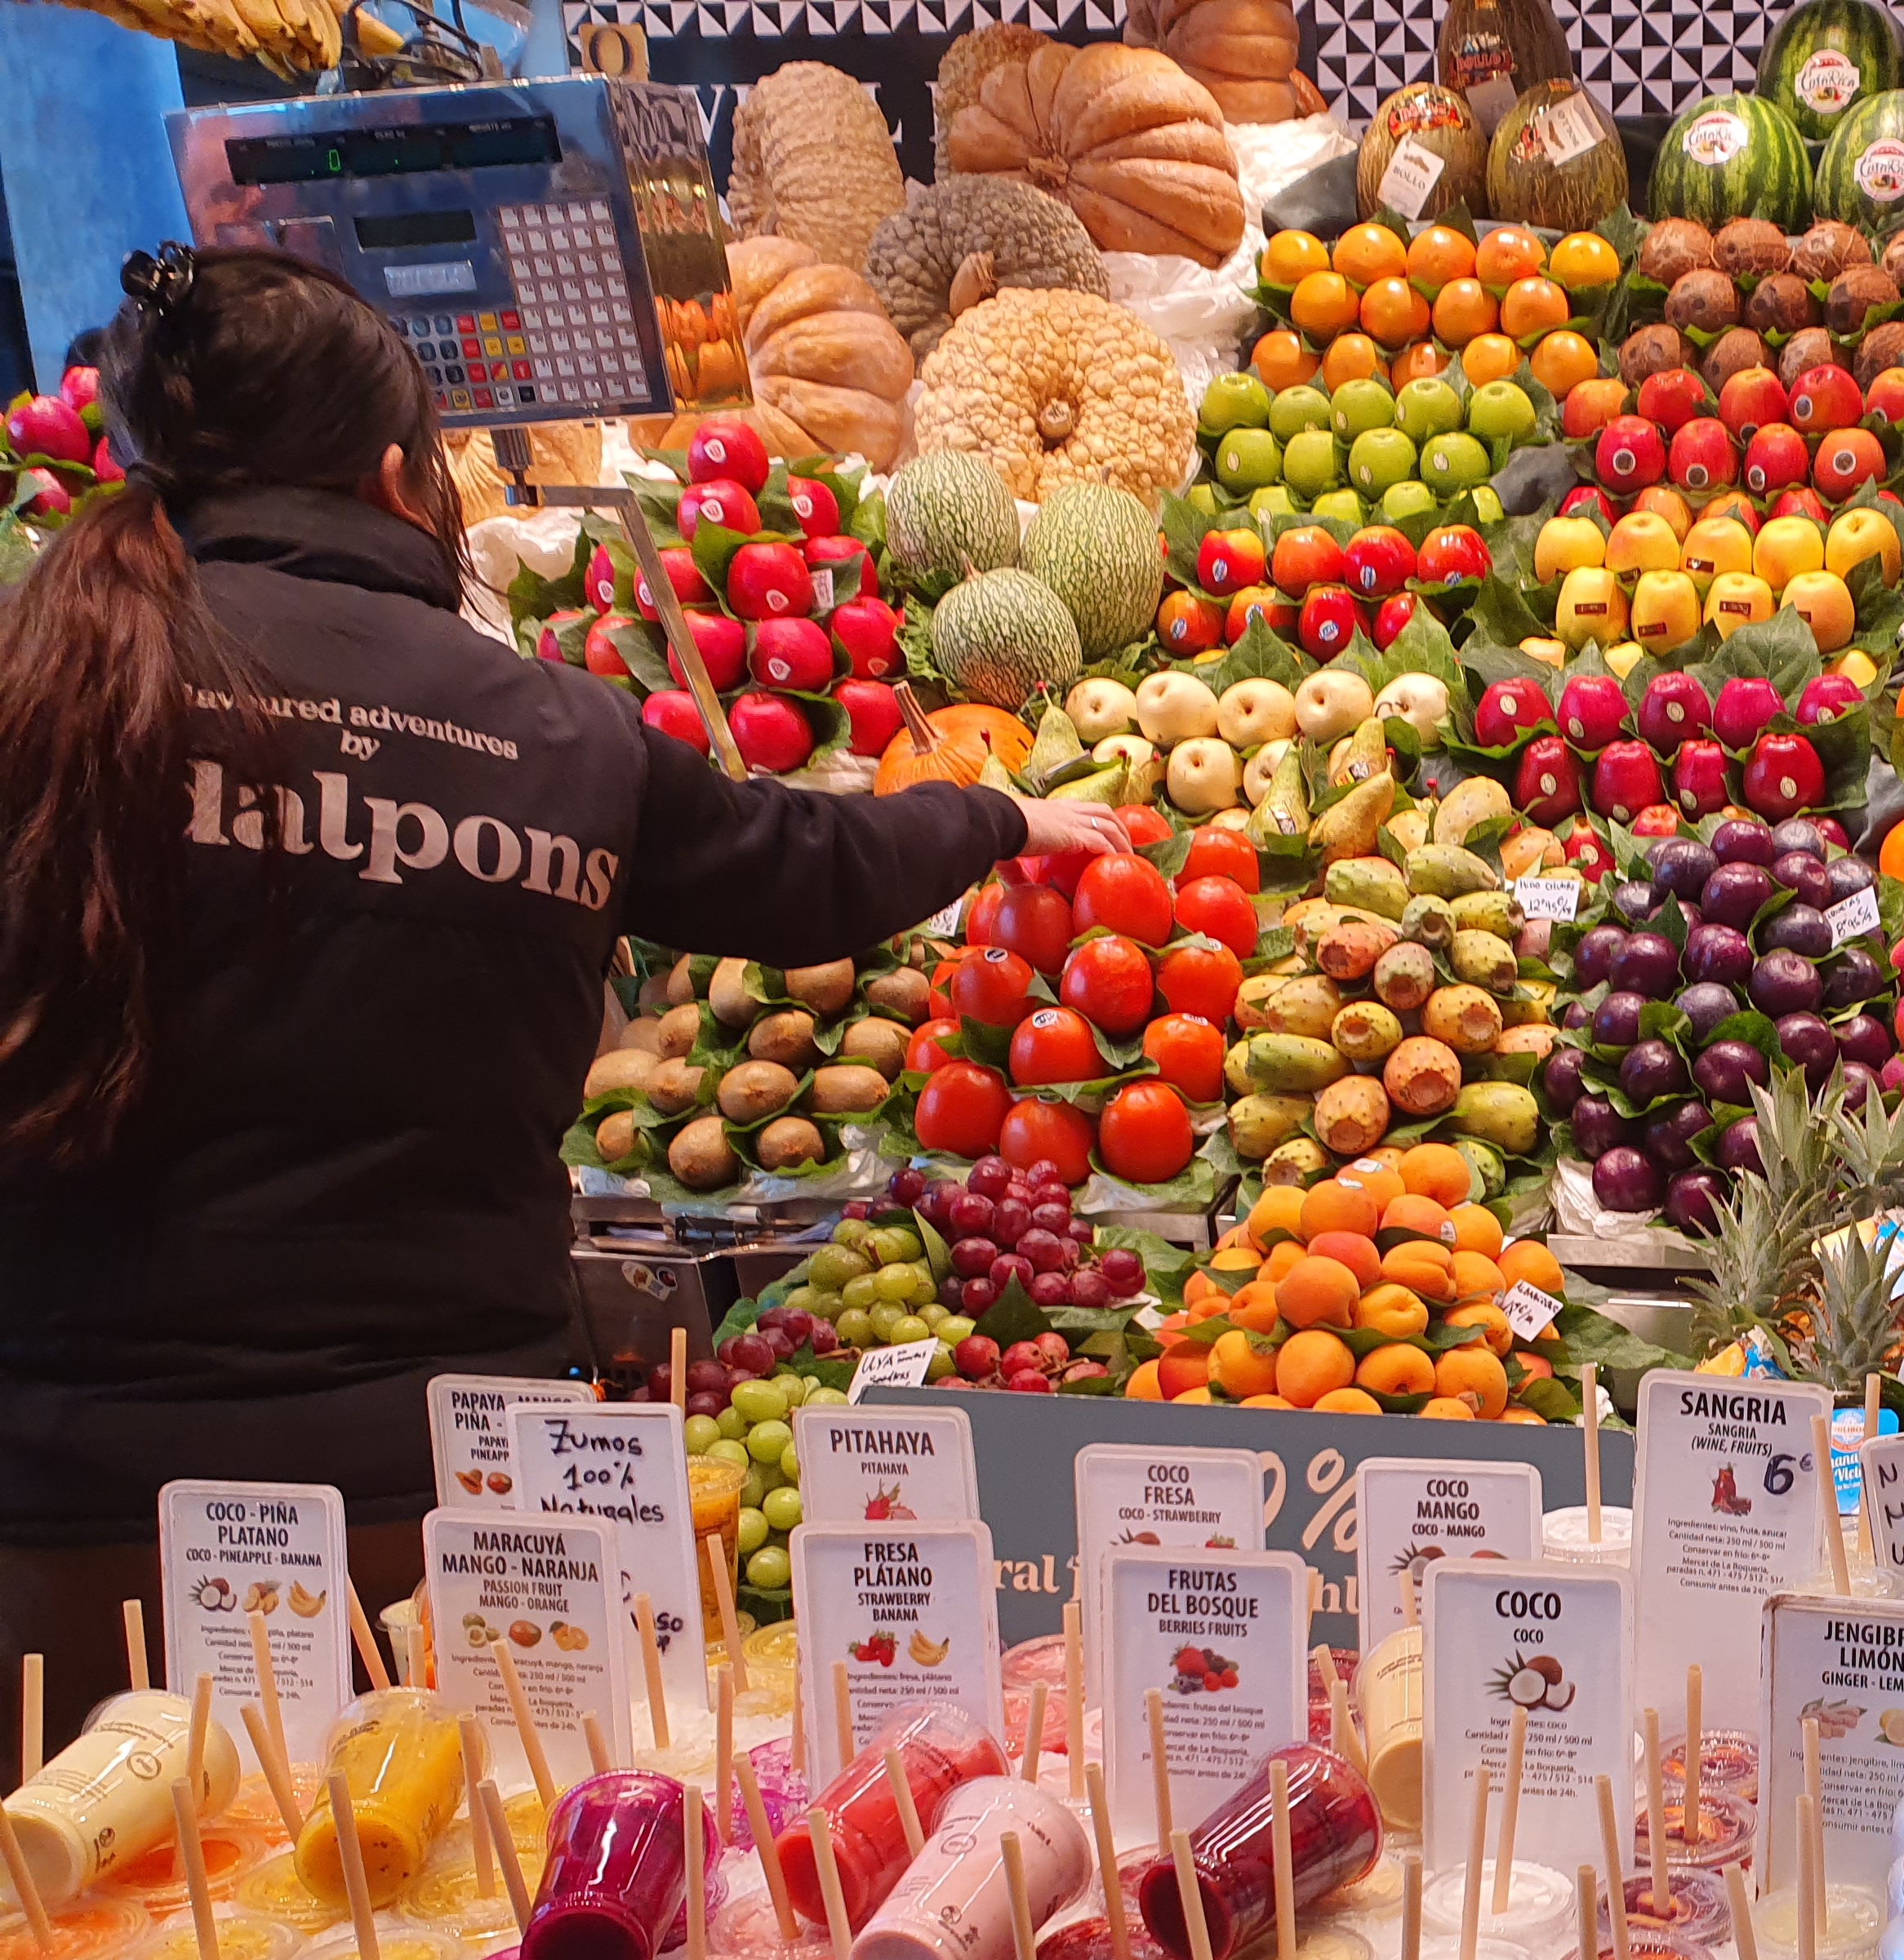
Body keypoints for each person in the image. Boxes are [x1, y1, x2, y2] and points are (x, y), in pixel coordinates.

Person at [0, 245, 1123, 1740]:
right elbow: (800, 869)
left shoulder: (41, 680)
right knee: (459, 1864)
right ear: (398, 474)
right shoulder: (543, 731)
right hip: (447, 1513)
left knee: (96, 1876)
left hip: (63, 1521)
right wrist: (990, 813)